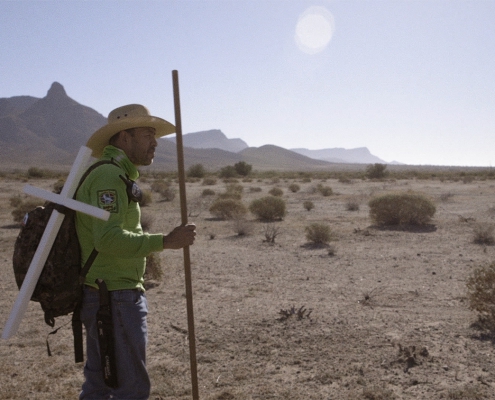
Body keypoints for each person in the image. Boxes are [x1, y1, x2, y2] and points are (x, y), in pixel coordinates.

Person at [75, 104, 196, 399]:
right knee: (131, 388)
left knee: (100, 385)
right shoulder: (109, 177)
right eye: (147, 135)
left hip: (104, 293)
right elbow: (108, 239)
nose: (155, 142)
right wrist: (165, 241)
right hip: (114, 296)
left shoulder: (115, 174)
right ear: (124, 137)